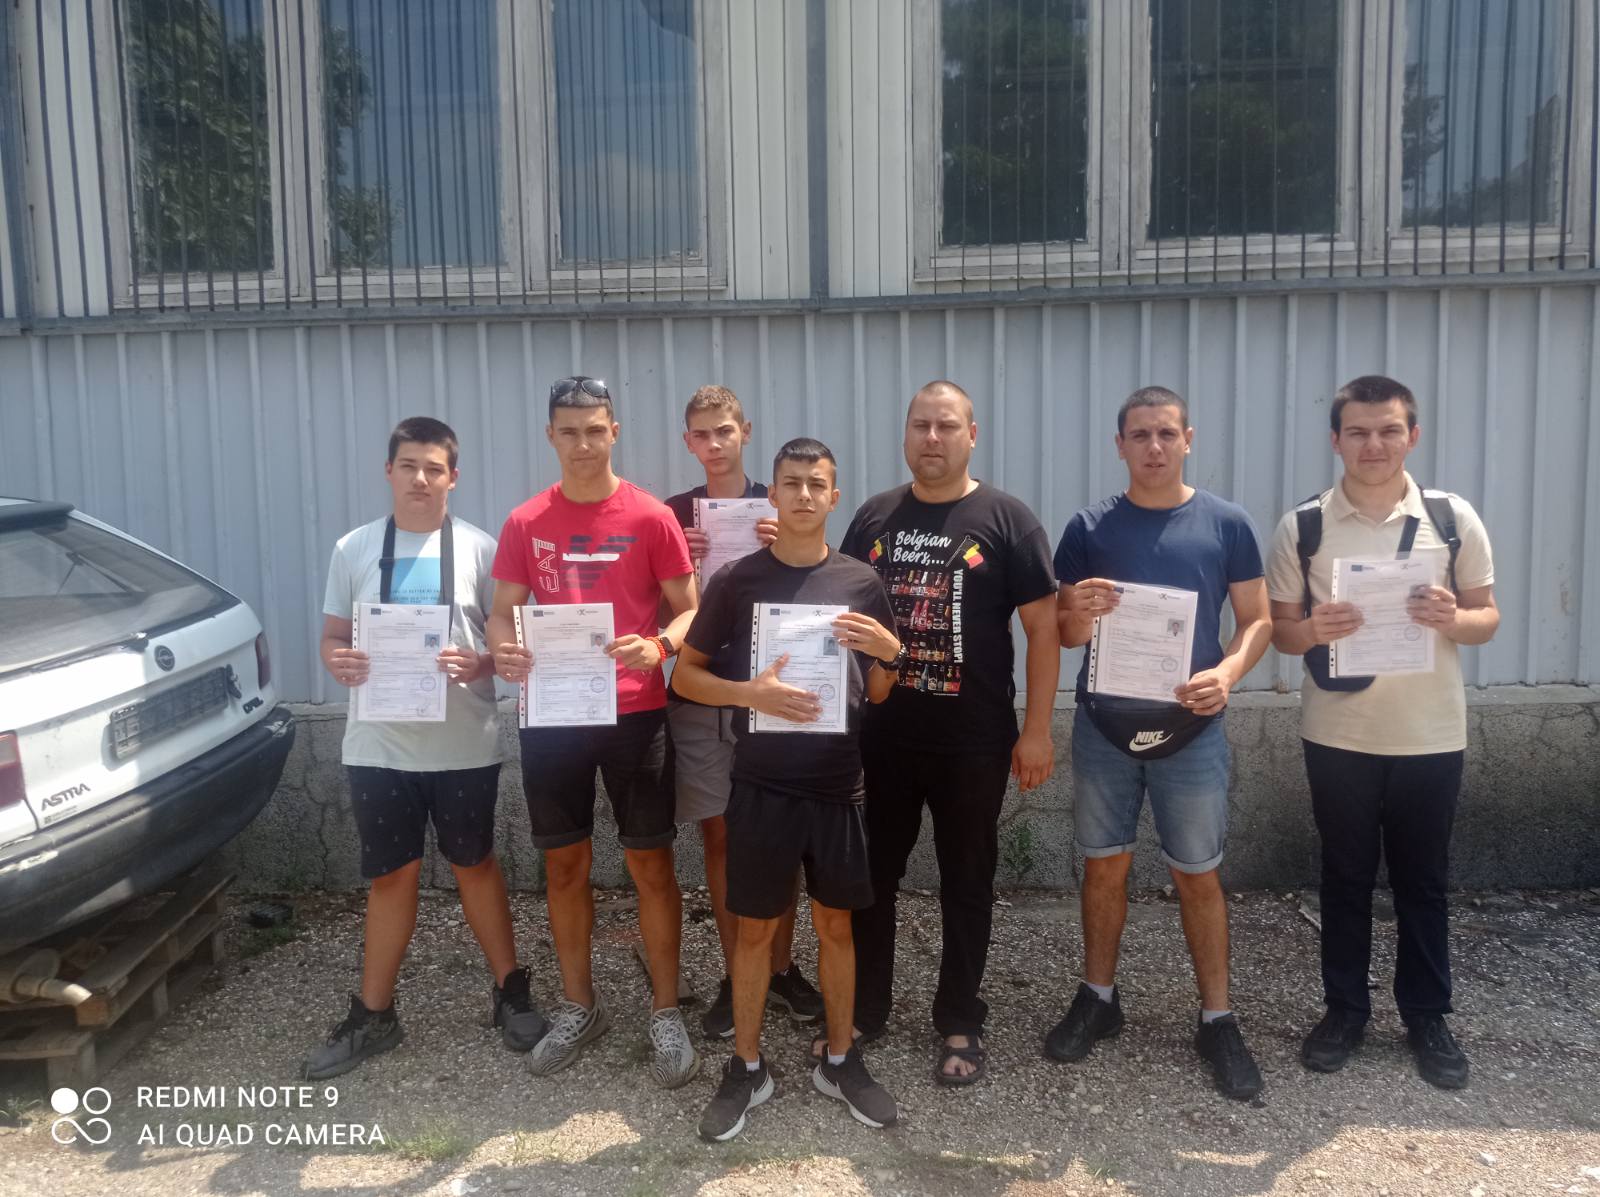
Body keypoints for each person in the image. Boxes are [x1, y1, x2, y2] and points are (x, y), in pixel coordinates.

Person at [1266, 374, 1498, 1090]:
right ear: (1336, 440)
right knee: (1344, 877)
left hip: (1430, 732)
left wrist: (1451, 619)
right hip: (1338, 732)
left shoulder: (1451, 518)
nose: (1375, 444)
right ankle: (1344, 1011)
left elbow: (1487, 617)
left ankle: (1427, 1016)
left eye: (1389, 430)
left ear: (1412, 436)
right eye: (1359, 431)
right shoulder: (1303, 526)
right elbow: (1279, 631)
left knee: (1424, 881)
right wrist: (1314, 629)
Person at [673, 438, 903, 1142]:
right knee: (755, 930)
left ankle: (839, 1058)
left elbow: (881, 691)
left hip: (837, 784)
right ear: (771, 494)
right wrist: (750, 693)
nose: (804, 494)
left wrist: (891, 653)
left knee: (836, 926)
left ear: (835, 496)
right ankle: (747, 1067)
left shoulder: (861, 582)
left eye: (817, 484)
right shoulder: (737, 580)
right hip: (762, 783)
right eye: (792, 483)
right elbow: (686, 676)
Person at [1045, 386, 1272, 1100]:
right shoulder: (1088, 527)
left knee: (1197, 874)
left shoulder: (1227, 523)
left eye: (1166, 433)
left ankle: (1217, 1018)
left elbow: (1258, 619)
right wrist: (1079, 613)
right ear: (1119, 445)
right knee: (1103, 868)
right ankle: (1098, 997)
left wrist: (1227, 673)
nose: (1153, 446)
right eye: (1139, 435)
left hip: (1191, 728)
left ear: (1187, 439)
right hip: (1105, 727)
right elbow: (1065, 633)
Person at [304, 417, 546, 1080]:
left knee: (476, 863)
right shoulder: (353, 548)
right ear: (389, 471)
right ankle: (374, 1014)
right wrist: (338, 660)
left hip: (463, 743)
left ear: (453, 477)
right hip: (378, 746)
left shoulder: (480, 549)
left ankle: (510, 991)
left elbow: (507, 643)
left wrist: (482, 663)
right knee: (391, 875)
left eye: (433, 468)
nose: (420, 478)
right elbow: (331, 637)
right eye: (408, 465)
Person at [838, 380, 1060, 1086]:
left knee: (967, 879)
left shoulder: (1008, 520)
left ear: (971, 434)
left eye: (946, 425)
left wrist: (1037, 730)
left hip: (974, 741)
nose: (931, 438)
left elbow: (1044, 630)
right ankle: (866, 1007)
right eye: (920, 425)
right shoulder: (873, 518)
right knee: (873, 877)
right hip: (883, 738)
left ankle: (960, 1015)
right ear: (905, 433)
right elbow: (838, 615)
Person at [487, 376, 700, 1088]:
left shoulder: (649, 516)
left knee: (651, 866)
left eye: (595, 430)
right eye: (569, 431)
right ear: (551, 436)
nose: (583, 443)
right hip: (554, 714)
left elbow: (689, 608)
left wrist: (661, 645)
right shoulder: (526, 522)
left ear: (615, 432)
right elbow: (502, 613)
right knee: (564, 867)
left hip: (635, 712)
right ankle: (580, 1006)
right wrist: (505, 649)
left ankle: (665, 1010)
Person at [663, 385, 823, 1039]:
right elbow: (659, 607)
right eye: (701, 434)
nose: (714, 443)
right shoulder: (672, 515)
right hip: (702, 692)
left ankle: (779, 967)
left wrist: (781, 545)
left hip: (770, 687)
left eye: (724, 430)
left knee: (777, 838)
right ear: (688, 442)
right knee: (721, 838)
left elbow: (815, 589)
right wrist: (683, 563)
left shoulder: (779, 500)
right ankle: (738, 973)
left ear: (745, 432)